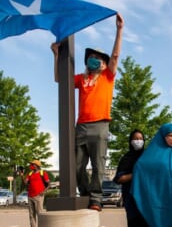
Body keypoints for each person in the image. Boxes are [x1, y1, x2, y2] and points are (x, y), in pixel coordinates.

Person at [51, 13, 124, 211]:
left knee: (99, 165)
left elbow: (116, 56)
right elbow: (60, 79)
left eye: (99, 58)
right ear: (87, 61)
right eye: (92, 57)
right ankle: (84, 193)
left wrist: (119, 30)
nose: (95, 60)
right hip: (81, 125)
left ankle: (96, 199)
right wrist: (56, 55)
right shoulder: (81, 79)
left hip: (100, 124)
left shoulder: (108, 76)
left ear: (104, 63)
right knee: (75, 165)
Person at [130, 123, 172, 227]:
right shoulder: (154, 152)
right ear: (163, 136)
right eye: (170, 135)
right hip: (162, 196)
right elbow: (141, 167)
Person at [113, 129, 148, 227]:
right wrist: (135, 174)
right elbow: (119, 179)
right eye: (136, 139)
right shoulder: (126, 159)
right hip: (132, 201)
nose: (138, 141)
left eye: (141, 139)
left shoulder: (148, 156)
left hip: (148, 200)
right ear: (131, 141)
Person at [20, 160, 50, 227]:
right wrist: (22, 175)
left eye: (32, 164)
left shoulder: (43, 173)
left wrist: (44, 191)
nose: (31, 166)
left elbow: (49, 184)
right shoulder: (30, 174)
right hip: (30, 196)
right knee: (31, 215)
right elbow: (25, 182)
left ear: (37, 165)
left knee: (40, 213)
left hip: (39, 196)